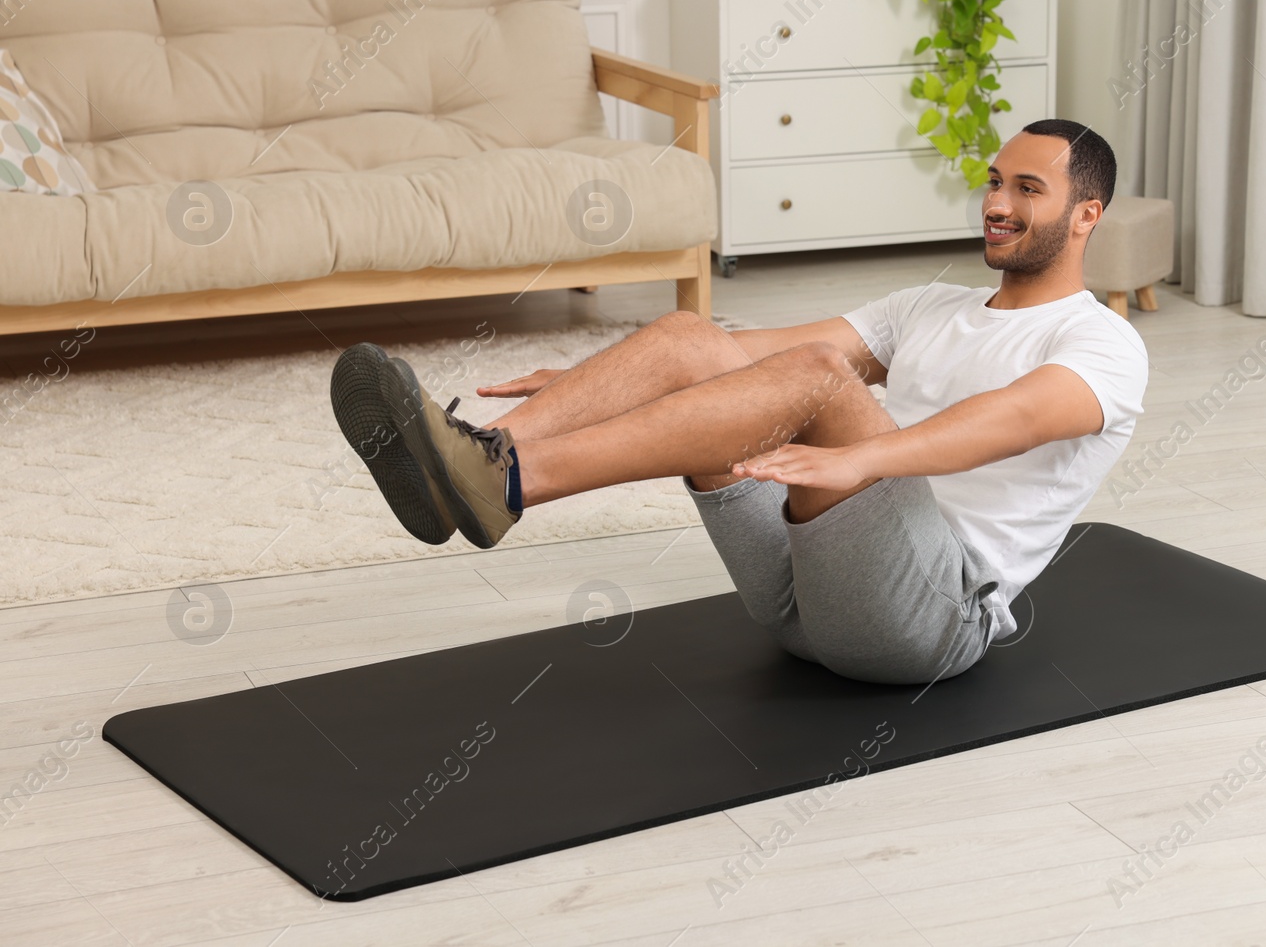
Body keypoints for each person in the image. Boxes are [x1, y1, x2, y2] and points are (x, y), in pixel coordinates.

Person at [329, 119, 1148, 685]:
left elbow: (1008, 422)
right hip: (800, 592)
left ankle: (508, 482)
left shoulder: (1103, 344)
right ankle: (470, 453)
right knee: (692, 335)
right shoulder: (929, 305)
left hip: (927, 617)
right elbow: (732, 355)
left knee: (819, 374)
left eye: (1027, 189)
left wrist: (855, 455)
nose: (997, 204)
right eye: (995, 181)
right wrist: (590, 382)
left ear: (1085, 214)